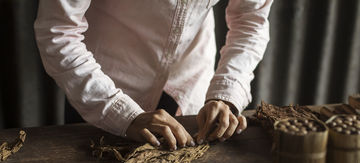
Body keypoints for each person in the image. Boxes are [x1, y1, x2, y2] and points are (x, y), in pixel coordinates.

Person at [34, 0, 273, 150]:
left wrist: (226, 93)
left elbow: (250, 21)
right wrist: (122, 114)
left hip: (190, 84)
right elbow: (59, 32)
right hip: (99, 87)